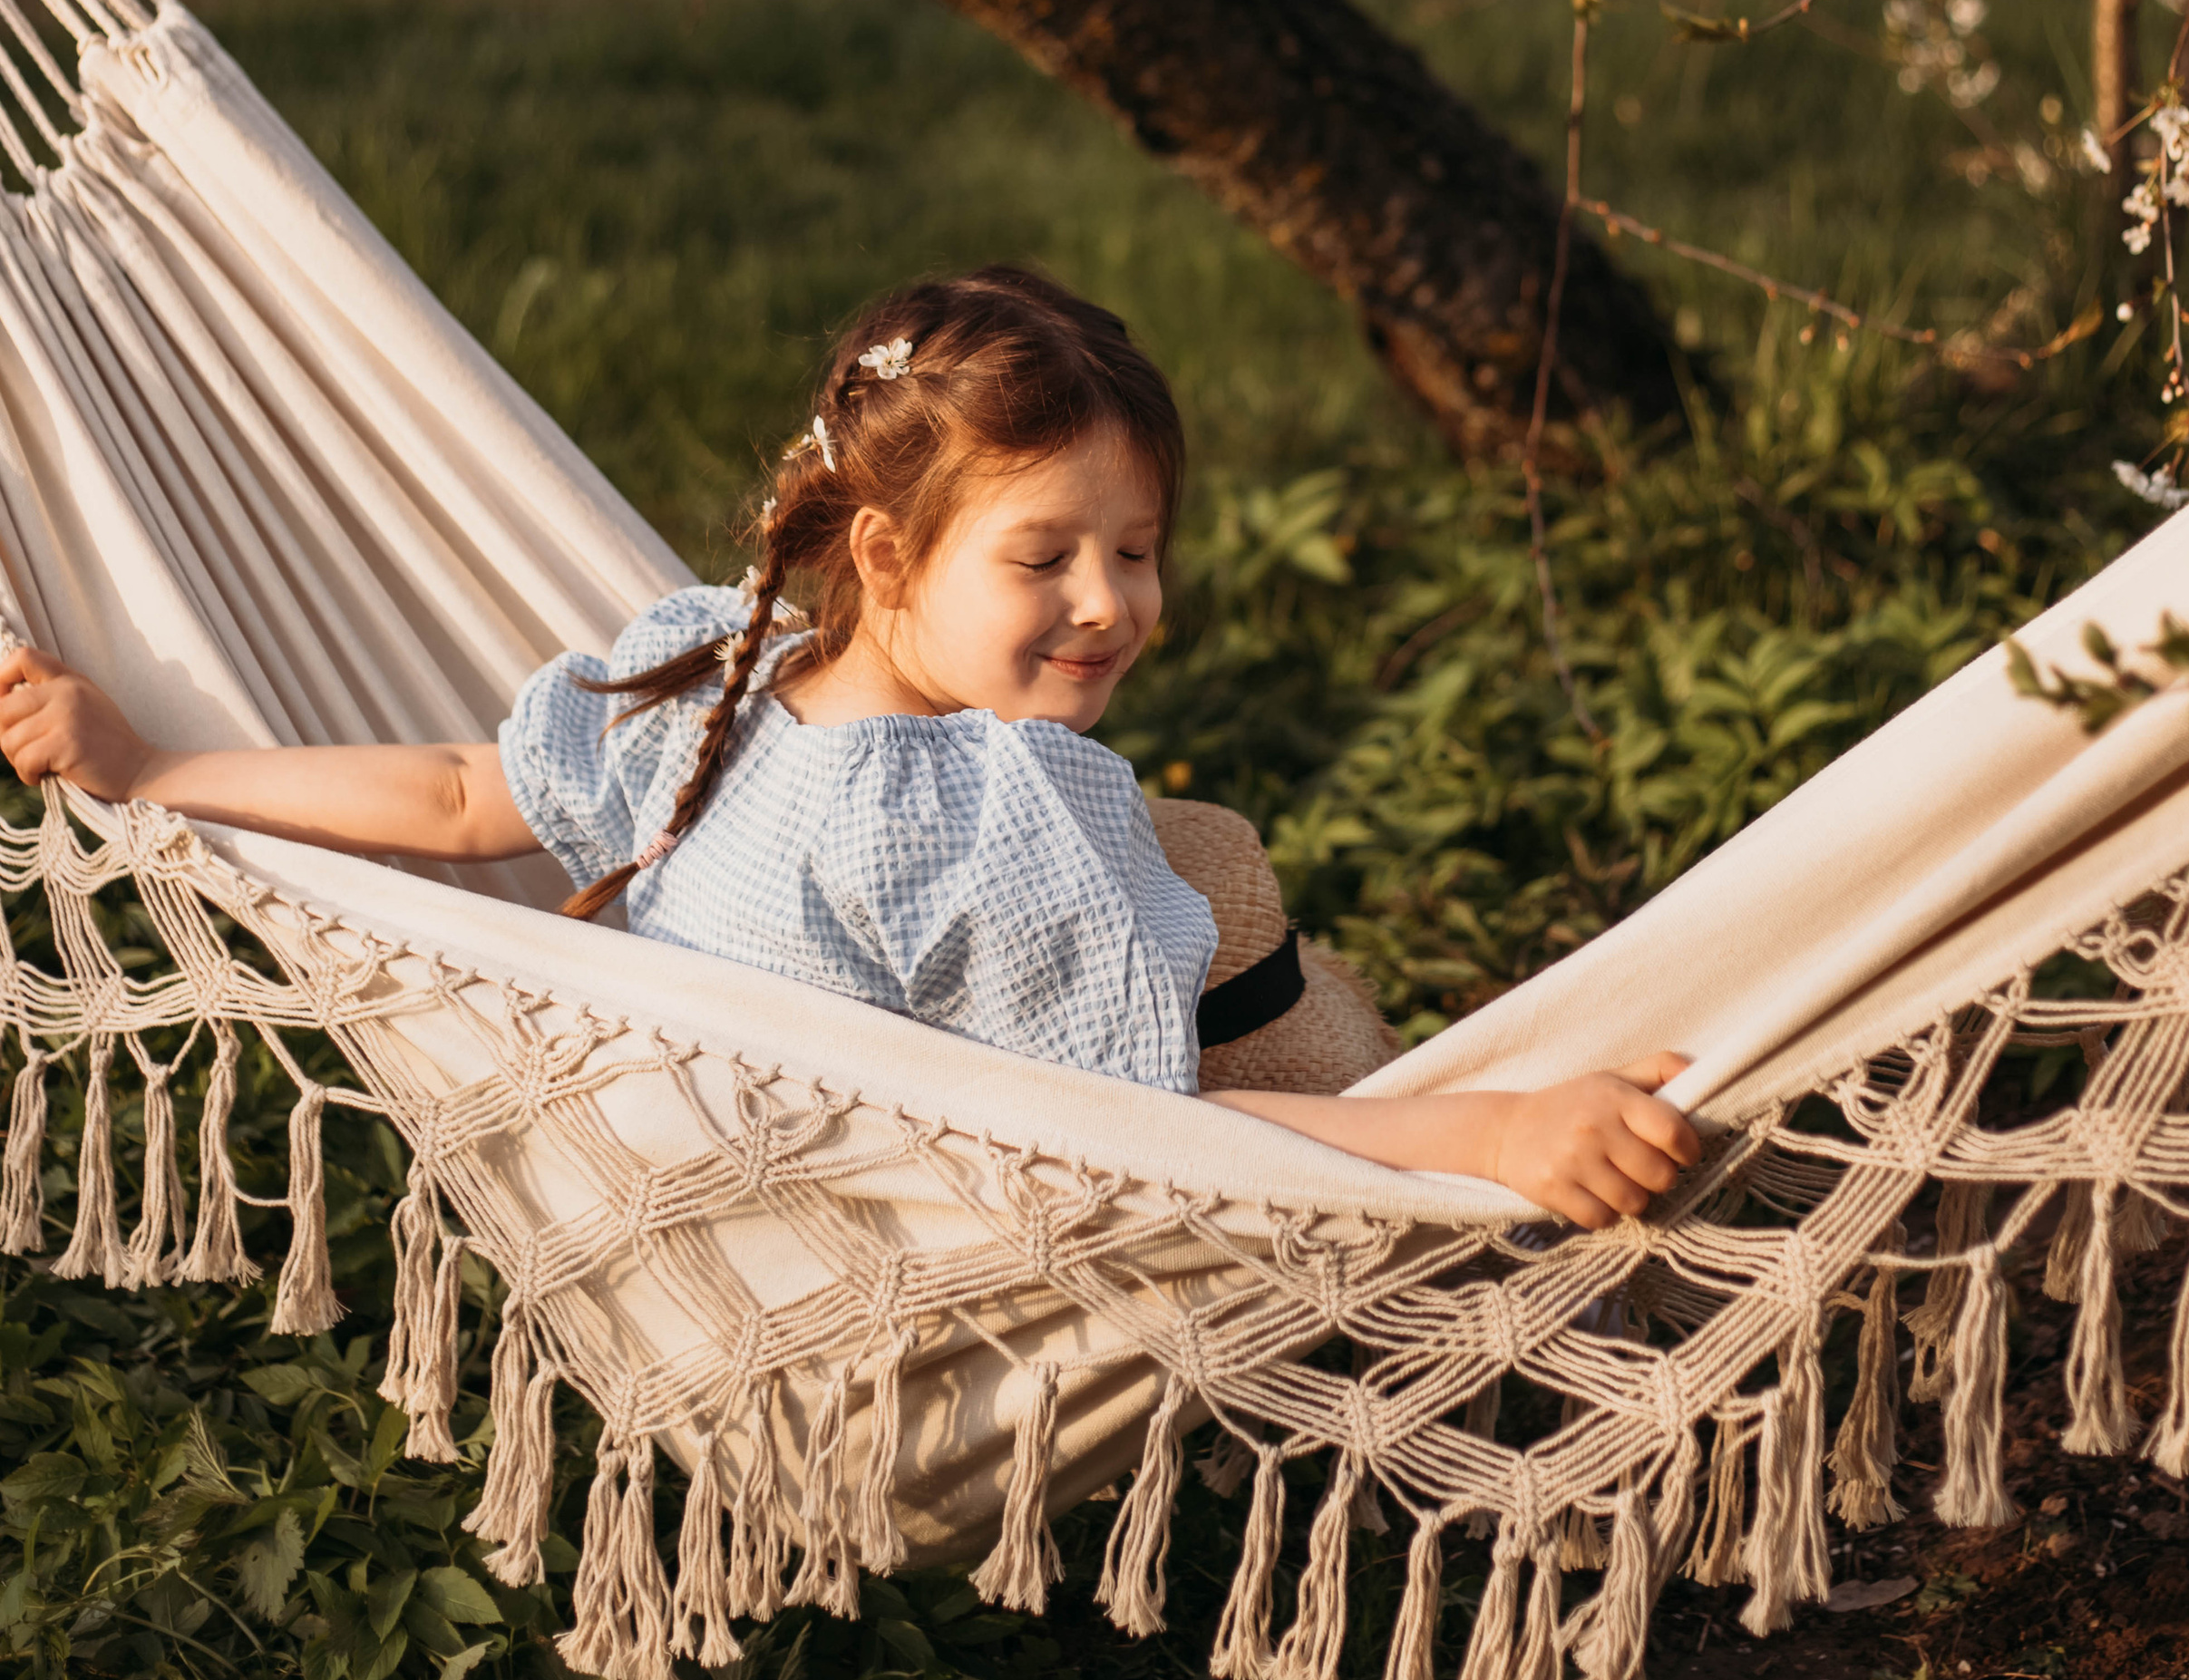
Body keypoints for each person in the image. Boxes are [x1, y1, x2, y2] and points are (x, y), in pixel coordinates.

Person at [0, 266, 1697, 1232]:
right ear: (886, 559)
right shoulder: (1014, 826)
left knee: (1200, 853)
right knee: (1218, 864)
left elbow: (455, 800)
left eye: (1139, 547)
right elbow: (1158, 1148)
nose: (1110, 605)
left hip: (662, 1203)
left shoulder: (710, 671)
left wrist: (158, 770)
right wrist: (1486, 1138)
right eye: (1043, 560)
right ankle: (1416, 1113)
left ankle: (1397, 1075)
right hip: (927, 1237)